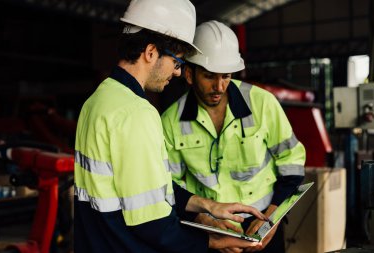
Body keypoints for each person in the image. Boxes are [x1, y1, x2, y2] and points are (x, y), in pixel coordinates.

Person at [74, 2, 267, 253]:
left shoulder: (97, 101)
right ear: (151, 52)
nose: (177, 73)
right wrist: (212, 241)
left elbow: (145, 191)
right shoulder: (137, 113)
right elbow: (152, 224)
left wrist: (207, 205)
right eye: (176, 62)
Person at [161, 20, 306, 253]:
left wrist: (274, 216)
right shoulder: (170, 121)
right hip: (209, 231)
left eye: (226, 75)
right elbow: (170, 185)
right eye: (209, 76)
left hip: (263, 224)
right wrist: (202, 221)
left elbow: (292, 162)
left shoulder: (262, 103)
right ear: (189, 74)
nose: (219, 86)